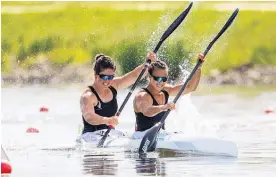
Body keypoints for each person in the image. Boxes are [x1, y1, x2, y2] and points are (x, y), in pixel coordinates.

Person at [80, 52, 157, 135]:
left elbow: (134, 75)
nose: (108, 81)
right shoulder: (88, 96)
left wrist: (147, 64)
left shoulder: (114, 85)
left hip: (110, 135)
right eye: (104, 77)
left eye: (111, 77)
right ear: (96, 75)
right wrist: (106, 120)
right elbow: (89, 116)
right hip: (90, 137)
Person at [133, 60, 201, 132]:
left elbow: (190, 87)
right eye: (157, 78)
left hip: (160, 135)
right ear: (149, 76)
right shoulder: (142, 96)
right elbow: (147, 111)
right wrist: (163, 107)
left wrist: (198, 67)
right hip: (141, 136)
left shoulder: (166, 90)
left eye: (164, 79)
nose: (161, 82)